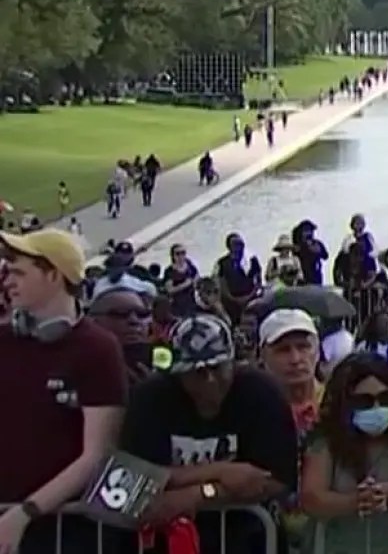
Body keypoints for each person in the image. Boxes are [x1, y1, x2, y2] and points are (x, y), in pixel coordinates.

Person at [119, 315, 300, 554]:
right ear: (178, 373)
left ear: (232, 363)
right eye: (197, 372)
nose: (209, 380)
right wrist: (221, 471)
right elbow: (131, 477)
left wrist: (196, 495)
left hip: (247, 540)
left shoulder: (261, 393)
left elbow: (276, 479)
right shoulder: (150, 397)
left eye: (217, 368)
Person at [0, 229, 128, 554]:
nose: (7, 282)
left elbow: (97, 453)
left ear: (54, 274)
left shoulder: (98, 349)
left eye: (18, 273)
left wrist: (26, 512)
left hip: (63, 530)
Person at [299, 353, 388, 554]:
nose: (377, 407)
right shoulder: (325, 440)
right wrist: (357, 501)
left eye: (386, 398)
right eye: (364, 401)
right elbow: (312, 497)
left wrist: (385, 491)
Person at [259, 309, 324, 437]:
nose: (295, 359)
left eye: (303, 347)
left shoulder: (337, 404)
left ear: (317, 351)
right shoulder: (256, 412)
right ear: (263, 355)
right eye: (283, 350)